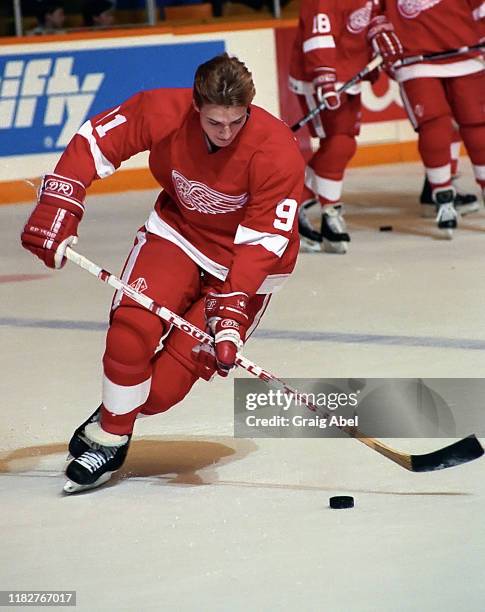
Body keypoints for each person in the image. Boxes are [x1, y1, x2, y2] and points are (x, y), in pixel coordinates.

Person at [20, 53, 305, 493]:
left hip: (244, 269)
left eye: (236, 122)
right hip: (178, 235)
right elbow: (96, 142)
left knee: (161, 393)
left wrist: (230, 310)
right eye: (215, 123)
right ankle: (110, 437)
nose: (225, 134)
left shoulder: (277, 150)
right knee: (129, 334)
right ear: (196, 107)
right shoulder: (162, 111)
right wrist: (61, 200)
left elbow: (266, 241)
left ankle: (116, 413)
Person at [288, 0, 403, 253]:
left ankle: (298, 203)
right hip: (318, 76)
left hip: (349, 72)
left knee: (344, 142)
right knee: (340, 142)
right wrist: (325, 78)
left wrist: (378, 32)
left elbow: (371, 13)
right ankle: (322, 209)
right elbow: (319, 35)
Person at [381, 0, 485, 237]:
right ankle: (443, 198)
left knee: (477, 125)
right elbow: (372, 10)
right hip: (416, 58)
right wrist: (378, 32)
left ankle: (449, 192)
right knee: (435, 127)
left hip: (465, 53)